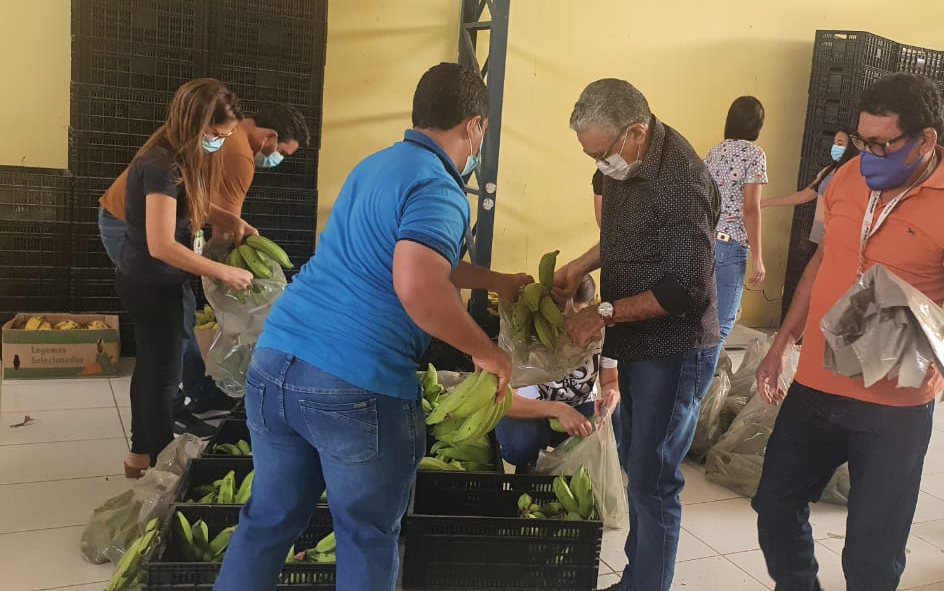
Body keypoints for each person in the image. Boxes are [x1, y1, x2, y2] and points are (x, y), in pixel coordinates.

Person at [213, 62, 530, 591]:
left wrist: (496, 281)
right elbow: (419, 286)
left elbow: (415, 256)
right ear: (475, 126)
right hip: (354, 383)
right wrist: (487, 352)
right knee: (366, 537)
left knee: (267, 521)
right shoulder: (441, 188)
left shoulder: (376, 165)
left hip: (276, 361)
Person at [750, 73, 944, 591]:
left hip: (894, 406)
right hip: (817, 384)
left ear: (925, 140)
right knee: (774, 504)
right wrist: (782, 342)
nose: (869, 155)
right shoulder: (846, 179)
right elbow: (821, 262)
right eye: (863, 141)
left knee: (872, 554)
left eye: (883, 144)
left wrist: (928, 336)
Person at [553, 78, 721, 591]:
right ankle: (637, 575)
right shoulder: (624, 165)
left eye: (602, 153)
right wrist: (580, 264)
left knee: (654, 475)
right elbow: (623, 237)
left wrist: (603, 313)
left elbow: (685, 289)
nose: (599, 165)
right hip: (635, 341)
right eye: (591, 156)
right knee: (638, 462)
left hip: (674, 348)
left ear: (636, 133)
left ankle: (646, 584)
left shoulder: (683, 182)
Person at [99, 102, 312, 432]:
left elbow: (194, 202)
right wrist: (224, 272)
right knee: (169, 328)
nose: (278, 159)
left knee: (171, 325)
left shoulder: (184, 149)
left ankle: (173, 412)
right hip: (131, 228)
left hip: (134, 223)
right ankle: (170, 414)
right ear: (270, 137)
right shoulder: (236, 155)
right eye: (282, 153)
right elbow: (207, 238)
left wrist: (228, 229)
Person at [110, 78, 256, 478]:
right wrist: (223, 271)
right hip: (153, 283)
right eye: (216, 135)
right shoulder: (163, 166)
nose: (219, 143)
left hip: (146, 279)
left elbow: (188, 205)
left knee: (150, 369)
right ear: (195, 124)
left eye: (225, 136)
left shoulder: (175, 156)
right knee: (162, 379)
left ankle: (139, 457)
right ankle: (163, 469)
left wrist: (228, 218)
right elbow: (161, 245)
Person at [495, 274, 621, 473]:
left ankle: (572, 473)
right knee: (522, 443)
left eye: (580, 322)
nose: (572, 331)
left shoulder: (605, 332)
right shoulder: (529, 333)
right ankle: (529, 467)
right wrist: (558, 410)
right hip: (531, 411)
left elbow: (610, 381)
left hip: (580, 407)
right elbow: (505, 400)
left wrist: (612, 394)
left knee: (617, 424)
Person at [704, 95, 768, 345]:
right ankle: (703, 372)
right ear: (757, 125)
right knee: (719, 328)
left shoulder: (716, 151)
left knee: (703, 323)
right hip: (730, 247)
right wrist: (758, 257)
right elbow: (751, 208)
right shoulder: (754, 154)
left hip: (706, 242)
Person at [761, 128, 852, 245]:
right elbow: (804, 195)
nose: (835, 147)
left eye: (840, 143)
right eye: (834, 143)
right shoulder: (827, 171)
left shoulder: (855, 175)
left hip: (838, 236)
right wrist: (766, 202)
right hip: (818, 233)